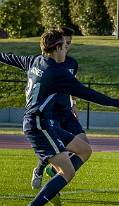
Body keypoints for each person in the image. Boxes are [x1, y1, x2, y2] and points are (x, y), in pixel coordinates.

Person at [0, 29, 119, 206]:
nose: (66, 50)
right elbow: (90, 95)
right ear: (56, 48)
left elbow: (7, 57)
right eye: (64, 46)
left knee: (85, 150)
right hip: (38, 125)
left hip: (45, 123)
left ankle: (51, 179)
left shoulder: (34, 61)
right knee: (68, 172)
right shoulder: (56, 72)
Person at [31, 27, 88, 189]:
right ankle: (42, 170)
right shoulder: (46, 63)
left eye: (70, 43)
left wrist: (74, 103)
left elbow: (73, 85)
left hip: (66, 110)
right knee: (54, 146)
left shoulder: (72, 63)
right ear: (58, 43)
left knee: (84, 146)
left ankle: (57, 175)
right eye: (65, 43)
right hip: (50, 112)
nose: (67, 46)